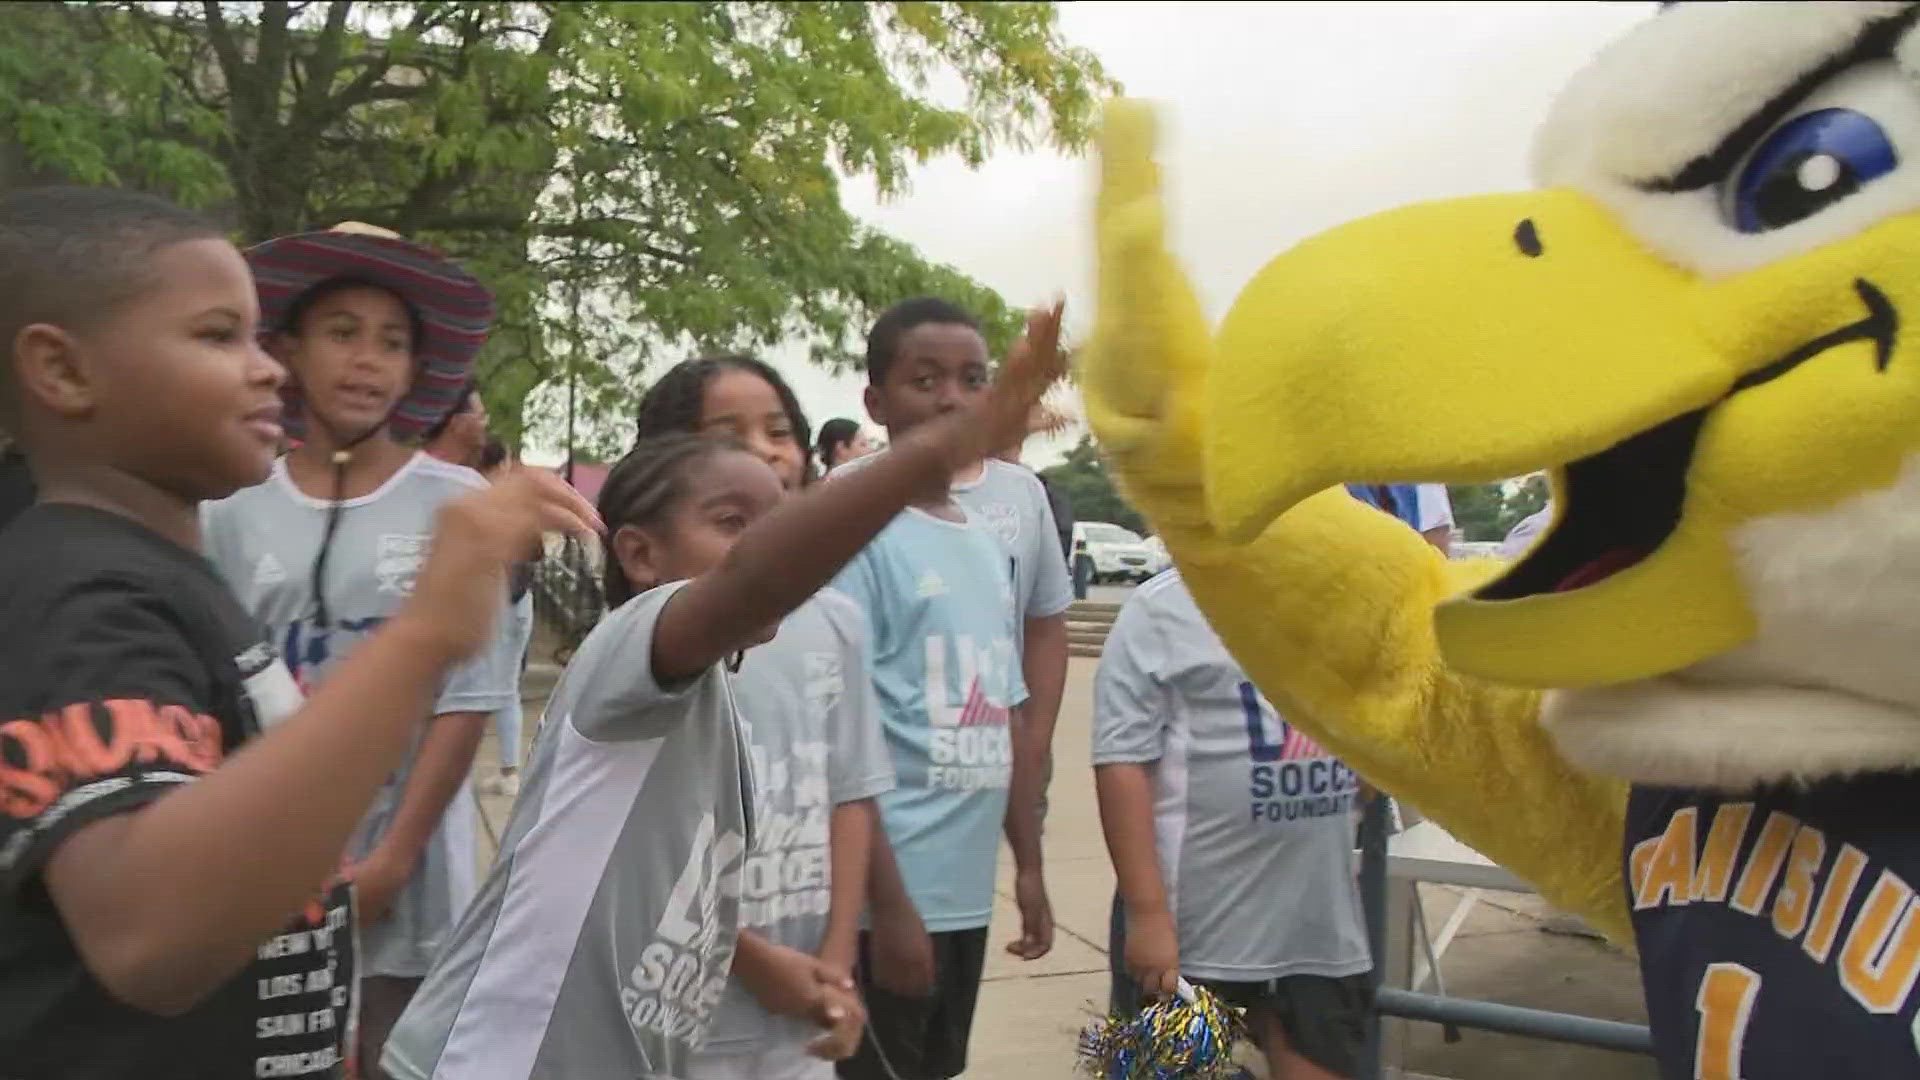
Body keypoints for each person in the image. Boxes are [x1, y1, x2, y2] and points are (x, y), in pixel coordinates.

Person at [0, 186, 598, 1078]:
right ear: (63, 371)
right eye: (217, 336)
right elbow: (149, 932)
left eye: (256, 337)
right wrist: (427, 629)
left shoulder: (171, 576)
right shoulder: (85, 592)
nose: (269, 370)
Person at [380, 304, 1066, 1080]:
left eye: (780, 446)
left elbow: (812, 811)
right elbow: (754, 579)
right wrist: (951, 444)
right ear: (639, 550)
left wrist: (829, 959)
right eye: (734, 518)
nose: (768, 469)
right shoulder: (631, 649)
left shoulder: (763, 661)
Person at [199, 221, 519, 1077]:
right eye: (342, 332)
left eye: (393, 341)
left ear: (419, 369)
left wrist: (393, 859)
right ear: (289, 350)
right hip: (263, 864)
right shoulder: (226, 504)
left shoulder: (459, 504)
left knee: (393, 1053)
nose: (366, 360)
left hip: (405, 873)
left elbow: (465, 699)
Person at [630, 355, 898, 1080]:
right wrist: (746, 959)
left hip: (805, 1019)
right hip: (677, 1017)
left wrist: (837, 966)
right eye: (730, 432)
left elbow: (849, 793)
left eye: (779, 429)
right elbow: (639, 839)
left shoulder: (836, 622)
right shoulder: (656, 638)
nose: (765, 449)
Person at [828, 299, 1066, 1080]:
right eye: (924, 380)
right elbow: (839, 738)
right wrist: (888, 907)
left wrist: (1026, 865)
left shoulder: (980, 539)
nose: (951, 399)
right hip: (883, 900)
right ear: (876, 403)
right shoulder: (853, 528)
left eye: (972, 379)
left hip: (963, 895)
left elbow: (1006, 710)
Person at [1095, 570, 1372, 1080]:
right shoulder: (1164, 608)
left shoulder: (1349, 596)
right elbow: (1121, 762)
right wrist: (1148, 913)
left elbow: (1374, 740)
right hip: (1194, 934)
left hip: (1316, 930)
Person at [475, 436, 538, 800]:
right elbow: (536, 551)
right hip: (520, 602)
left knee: (475, 689)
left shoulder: (471, 497)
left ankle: (500, 769)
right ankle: (509, 770)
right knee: (509, 687)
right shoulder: (518, 503)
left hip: (490, 602)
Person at [423, 385, 489, 470]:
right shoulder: (463, 481)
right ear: (458, 424)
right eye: (481, 417)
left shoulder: (407, 464)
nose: (485, 424)